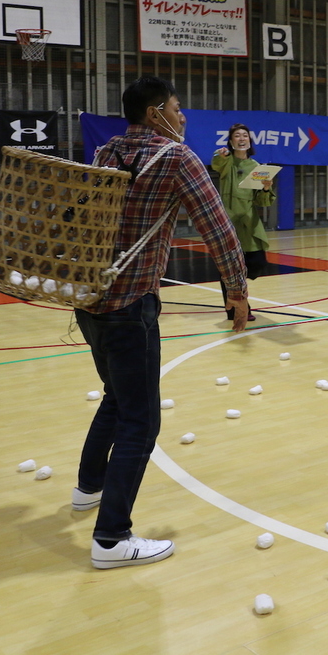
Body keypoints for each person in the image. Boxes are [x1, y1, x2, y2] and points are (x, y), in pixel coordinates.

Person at [72, 76, 249, 569]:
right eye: (177, 107)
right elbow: (217, 228)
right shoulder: (177, 158)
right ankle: (111, 538)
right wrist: (236, 290)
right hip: (131, 306)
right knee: (141, 420)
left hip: (89, 300)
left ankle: (88, 488)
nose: (184, 116)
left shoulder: (105, 153)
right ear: (156, 114)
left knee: (117, 394)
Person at [212, 123, 275, 322]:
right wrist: (220, 155)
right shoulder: (226, 161)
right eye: (237, 136)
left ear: (249, 141)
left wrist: (266, 188)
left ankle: (235, 287)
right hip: (228, 222)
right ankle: (236, 309)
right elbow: (216, 163)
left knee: (258, 262)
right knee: (229, 268)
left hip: (249, 222)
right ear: (231, 141)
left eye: (245, 135)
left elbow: (261, 201)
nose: (241, 138)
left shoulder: (256, 167)